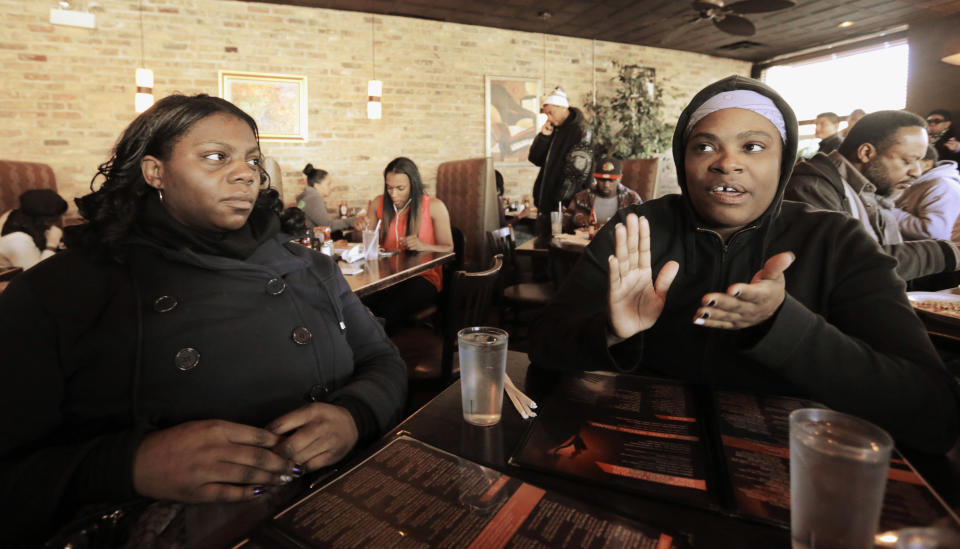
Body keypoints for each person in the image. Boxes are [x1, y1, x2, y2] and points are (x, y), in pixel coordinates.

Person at [0, 94, 407, 545]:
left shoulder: (311, 267)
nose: (245, 173)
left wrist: (354, 415)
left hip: (334, 513)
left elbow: (383, 361)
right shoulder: (60, 290)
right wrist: (131, 464)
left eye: (253, 160)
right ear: (155, 171)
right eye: (216, 157)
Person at [528, 75, 959, 455]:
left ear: (784, 161)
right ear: (684, 161)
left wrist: (783, 325)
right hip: (635, 456)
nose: (727, 162)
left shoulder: (836, 240)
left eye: (753, 147)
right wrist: (610, 329)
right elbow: (544, 352)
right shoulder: (637, 228)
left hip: (789, 478)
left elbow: (936, 417)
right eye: (704, 146)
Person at [785, 110, 960, 284]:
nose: (917, 172)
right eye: (907, 161)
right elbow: (847, 265)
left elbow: (896, 276)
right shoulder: (812, 189)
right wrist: (947, 253)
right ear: (866, 153)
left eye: (920, 162)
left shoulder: (871, 190)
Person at [354, 157, 453, 334]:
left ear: (413, 184)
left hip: (424, 277)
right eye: (389, 187)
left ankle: (381, 355)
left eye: (400, 188)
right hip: (386, 277)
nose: (393, 194)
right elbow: (367, 240)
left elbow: (448, 248)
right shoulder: (379, 203)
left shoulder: (434, 206)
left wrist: (423, 245)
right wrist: (360, 226)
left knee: (388, 310)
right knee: (357, 303)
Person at [528, 86, 593, 243]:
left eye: (551, 112)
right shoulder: (555, 129)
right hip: (548, 208)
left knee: (560, 255)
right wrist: (544, 137)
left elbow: (576, 173)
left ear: (563, 107)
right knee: (543, 253)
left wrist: (561, 205)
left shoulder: (582, 130)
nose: (548, 118)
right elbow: (535, 158)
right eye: (545, 114)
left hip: (565, 209)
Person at [894, 145, 960, 241]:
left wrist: (887, 211)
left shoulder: (943, 186)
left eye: (908, 162)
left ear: (927, 165)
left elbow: (933, 232)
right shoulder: (925, 182)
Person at [564, 157, 641, 231]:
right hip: (586, 242)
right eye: (602, 180)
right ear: (596, 178)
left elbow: (643, 222)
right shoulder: (582, 196)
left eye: (611, 180)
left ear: (619, 178)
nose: (606, 185)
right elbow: (566, 219)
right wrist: (576, 218)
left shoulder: (632, 198)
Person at [0, 189, 67, 270]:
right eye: (55, 218)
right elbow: (36, 276)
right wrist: (51, 245)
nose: (59, 221)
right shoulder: (17, 240)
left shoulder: (16, 215)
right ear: (43, 219)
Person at [297, 164, 354, 232]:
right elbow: (327, 226)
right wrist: (353, 220)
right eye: (328, 184)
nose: (331, 187)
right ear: (317, 186)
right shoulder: (313, 199)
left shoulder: (307, 197)